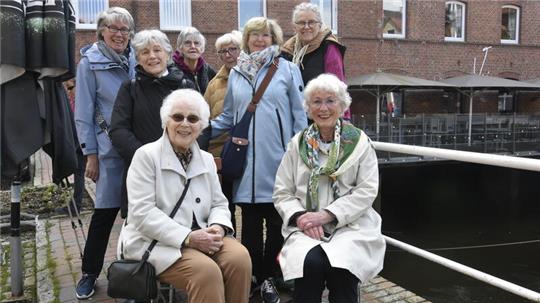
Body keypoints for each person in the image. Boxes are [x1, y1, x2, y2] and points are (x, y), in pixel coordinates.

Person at [118, 89, 252, 303]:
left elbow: (219, 203)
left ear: (201, 126)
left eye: (193, 118)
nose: (185, 124)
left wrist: (218, 227)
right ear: (166, 121)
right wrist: (189, 237)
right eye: (178, 117)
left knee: (239, 258)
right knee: (205, 272)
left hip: (202, 234)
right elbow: (142, 214)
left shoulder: (207, 159)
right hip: (155, 242)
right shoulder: (146, 156)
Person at [211, 16, 307, 303]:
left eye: (266, 35)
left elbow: (299, 118)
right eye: (255, 35)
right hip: (246, 167)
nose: (260, 39)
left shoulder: (288, 70)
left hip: (278, 163)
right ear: (246, 39)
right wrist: (201, 130)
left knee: (278, 226)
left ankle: (269, 277)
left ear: (274, 39)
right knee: (250, 228)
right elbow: (229, 116)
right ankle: (254, 278)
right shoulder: (237, 73)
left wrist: (296, 156)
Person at [273, 73, 386, 303]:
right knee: (310, 263)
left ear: (342, 105)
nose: (323, 108)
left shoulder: (359, 144)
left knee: (342, 268)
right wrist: (303, 217)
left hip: (350, 226)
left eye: (330, 100)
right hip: (305, 227)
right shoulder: (298, 145)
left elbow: (366, 191)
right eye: (316, 101)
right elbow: (282, 192)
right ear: (308, 107)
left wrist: (326, 216)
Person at [73, 7, 136, 299]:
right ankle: (89, 273)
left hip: (138, 148)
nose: (120, 34)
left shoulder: (136, 56)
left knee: (139, 213)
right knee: (105, 213)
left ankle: (138, 273)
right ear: (101, 31)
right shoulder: (90, 63)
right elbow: (83, 112)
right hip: (109, 150)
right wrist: (91, 155)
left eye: (125, 29)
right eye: (115, 28)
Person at [110, 29, 194, 218]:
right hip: (144, 172)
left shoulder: (185, 85)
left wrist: (183, 157)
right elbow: (118, 130)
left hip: (182, 171)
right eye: (145, 52)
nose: (152, 56)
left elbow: (202, 127)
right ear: (138, 58)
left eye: (157, 50)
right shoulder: (129, 88)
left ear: (168, 54)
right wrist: (149, 158)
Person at [281, 2, 350, 120]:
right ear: (294, 27)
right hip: (292, 118)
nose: (306, 27)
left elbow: (338, 86)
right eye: (302, 23)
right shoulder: (287, 51)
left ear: (320, 25)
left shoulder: (328, 47)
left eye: (311, 22)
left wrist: (344, 118)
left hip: (322, 118)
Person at [203, 30, 242, 231]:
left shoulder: (252, 78)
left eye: (232, 49)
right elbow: (206, 117)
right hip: (222, 155)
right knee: (225, 206)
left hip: (249, 152)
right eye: (222, 52)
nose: (228, 55)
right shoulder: (213, 84)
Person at [172, 26, 216, 95]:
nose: (193, 46)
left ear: (202, 48)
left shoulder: (207, 70)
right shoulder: (171, 70)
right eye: (187, 43)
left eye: (196, 43)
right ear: (181, 48)